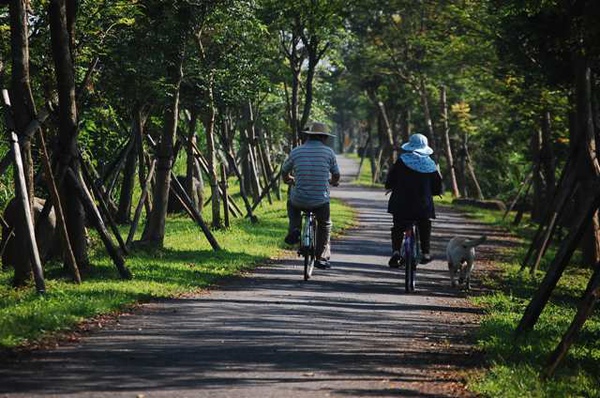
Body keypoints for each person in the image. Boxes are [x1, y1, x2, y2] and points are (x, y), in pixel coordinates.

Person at [282, 122, 341, 269]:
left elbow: (284, 170)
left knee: (291, 204)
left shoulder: (296, 151)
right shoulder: (329, 153)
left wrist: (288, 179)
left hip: (299, 199)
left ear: (309, 136)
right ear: (324, 138)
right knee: (325, 224)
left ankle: (295, 229)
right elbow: (336, 174)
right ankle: (320, 256)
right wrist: (333, 182)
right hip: (320, 201)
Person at [385, 133, 442, 267]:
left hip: (401, 204)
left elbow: (391, 178)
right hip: (423, 206)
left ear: (410, 146)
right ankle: (426, 252)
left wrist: (389, 187)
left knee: (398, 227)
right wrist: (435, 192)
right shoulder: (430, 164)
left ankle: (396, 252)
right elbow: (437, 184)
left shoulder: (402, 160)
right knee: (424, 225)